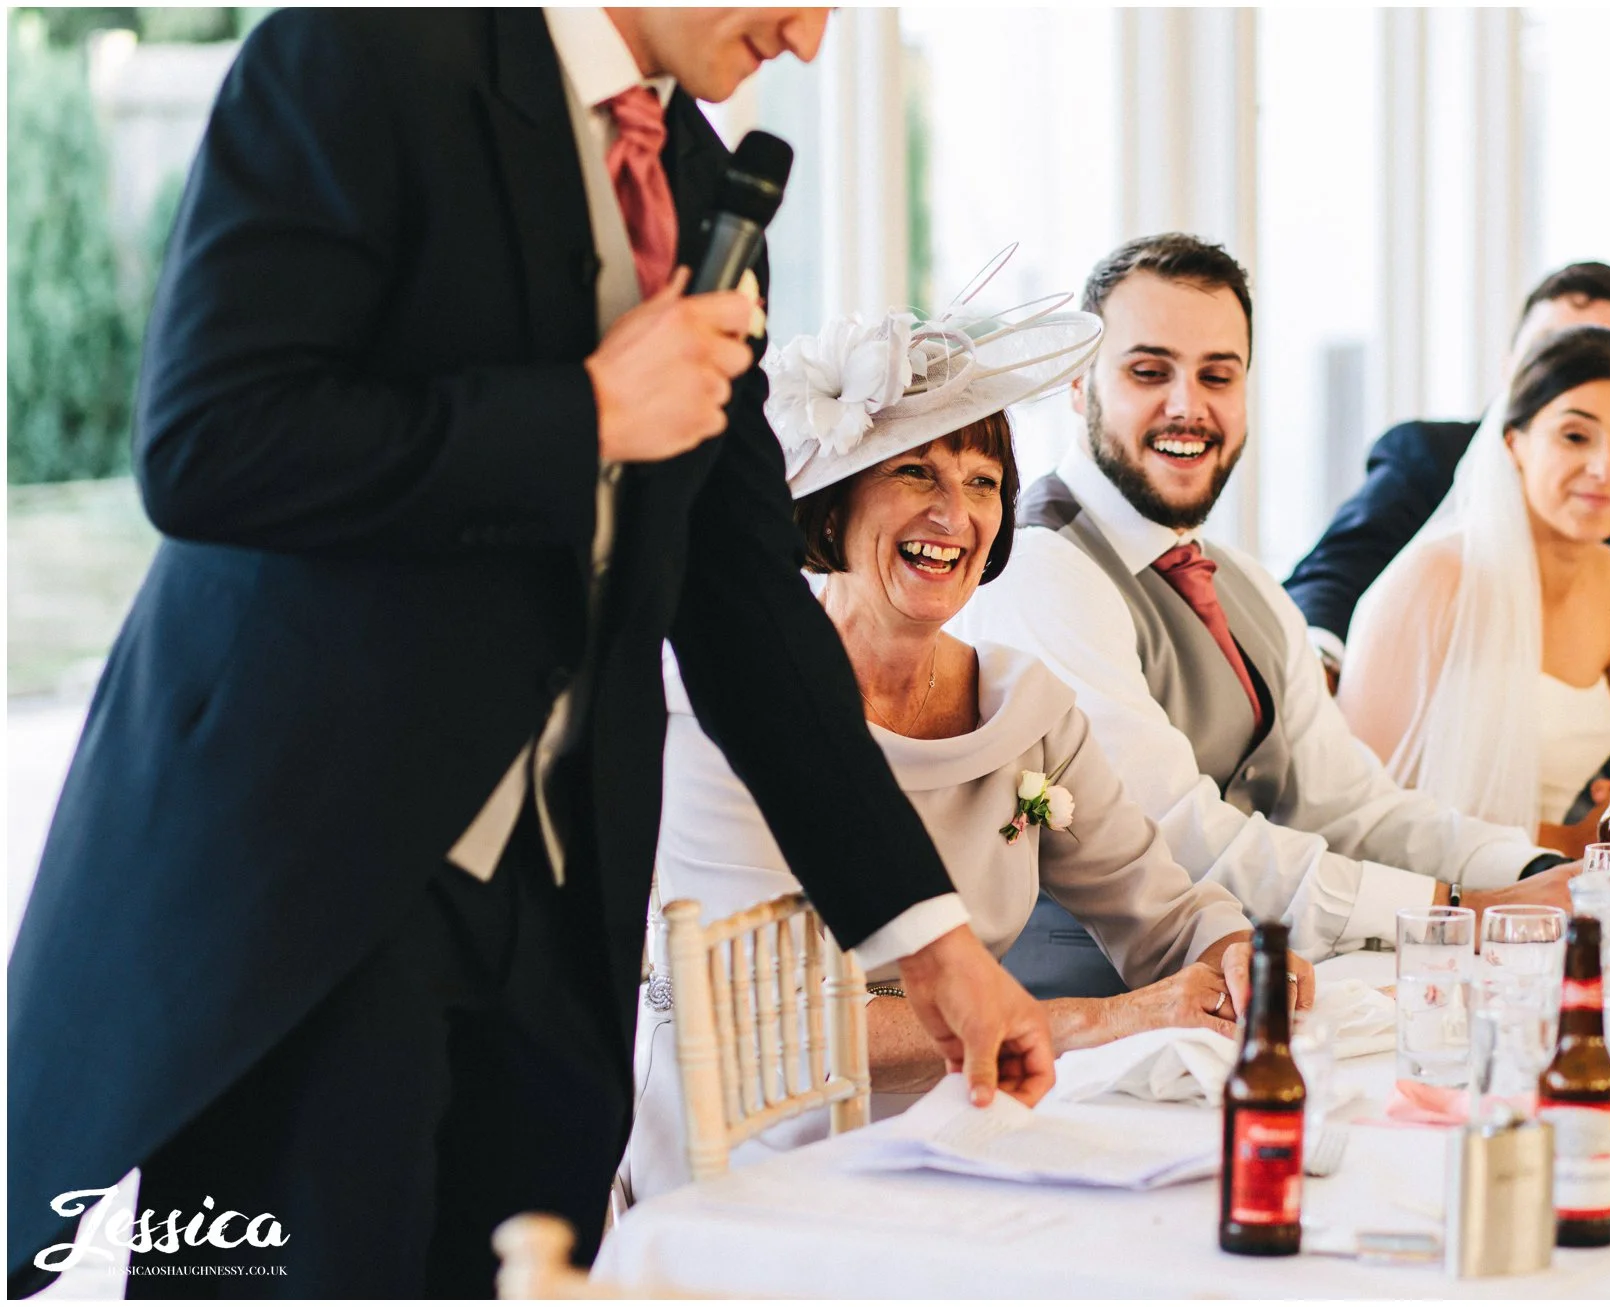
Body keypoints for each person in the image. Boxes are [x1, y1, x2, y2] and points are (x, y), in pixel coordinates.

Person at [6, 11, 1047, 1298]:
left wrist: (931, 936)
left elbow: (742, 607)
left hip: (557, 931)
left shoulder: (697, 185)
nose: (808, 36)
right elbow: (207, 442)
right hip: (318, 896)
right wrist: (589, 413)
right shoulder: (359, 56)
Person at [619, 282, 1313, 1202]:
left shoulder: (1023, 709)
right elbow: (777, 1035)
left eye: (982, 482)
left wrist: (1234, 954)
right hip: (756, 1175)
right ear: (831, 507)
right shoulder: (725, 714)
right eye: (915, 473)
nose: (955, 514)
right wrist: (1091, 1021)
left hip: (973, 1154)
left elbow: (1164, 912)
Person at [956, 234, 1578, 1000]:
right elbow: (1176, 837)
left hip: (1257, 1000)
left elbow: (1351, 802)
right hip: (1092, 1030)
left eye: (1218, 374)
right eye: (1149, 371)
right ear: (1080, 388)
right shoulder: (1038, 567)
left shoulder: (1244, 580)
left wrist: (1529, 872)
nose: (1188, 404)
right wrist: (1454, 911)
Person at [1338, 328, 1610, 855]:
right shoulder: (1432, 580)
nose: (1605, 469)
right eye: (1575, 437)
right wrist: (1574, 839)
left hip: (1565, 891)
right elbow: (1360, 809)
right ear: (1514, 442)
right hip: (1431, 897)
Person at [1284, 261, 1610, 683]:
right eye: (1554, 348)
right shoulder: (1429, 459)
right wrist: (1317, 674)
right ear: (1509, 363)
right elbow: (1335, 574)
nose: (1584, 372)